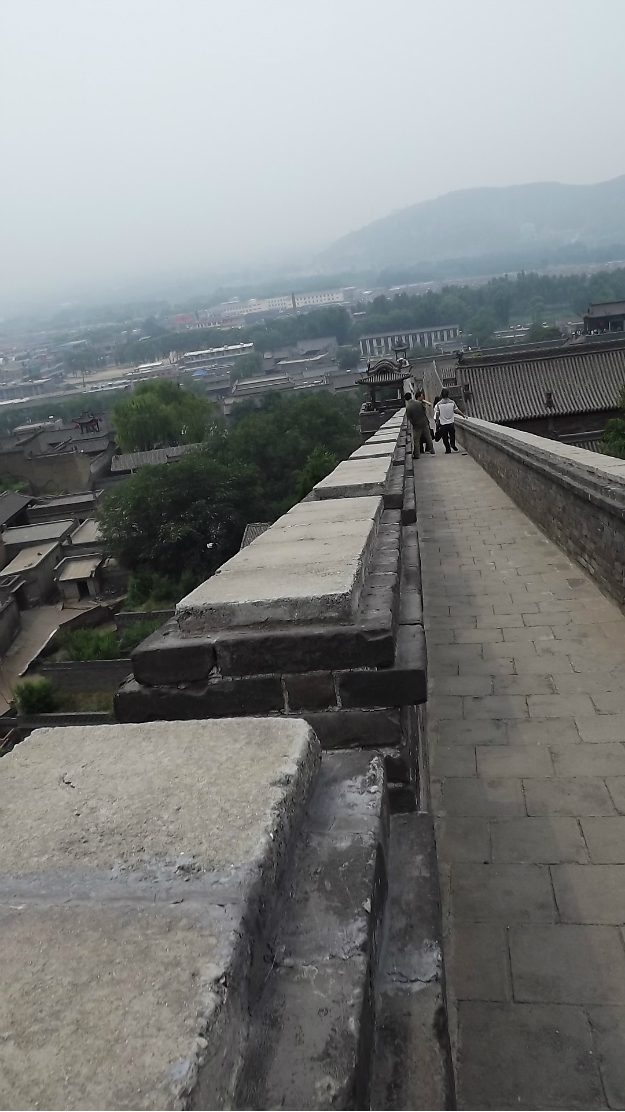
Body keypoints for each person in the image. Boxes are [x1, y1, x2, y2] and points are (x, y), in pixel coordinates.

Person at [404, 391, 435, 457]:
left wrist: (414, 424)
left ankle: (417, 454)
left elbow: (410, 418)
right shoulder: (418, 403)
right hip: (424, 422)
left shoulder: (408, 407)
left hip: (417, 425)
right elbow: (424, 410)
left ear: (406, 399)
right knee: (428, 437)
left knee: (416, 440)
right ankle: (432, 450)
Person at [433, 388, 464, 453]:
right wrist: (463, 415)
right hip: (451, 423)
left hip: (443, 424)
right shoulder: (452, 402)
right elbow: (456, 410)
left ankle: (448, 449)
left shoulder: (439, 404)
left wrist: (437, 422)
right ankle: (452, 444)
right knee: (452, 435)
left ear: (441, 395)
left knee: (445, 438)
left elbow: (437, 414)